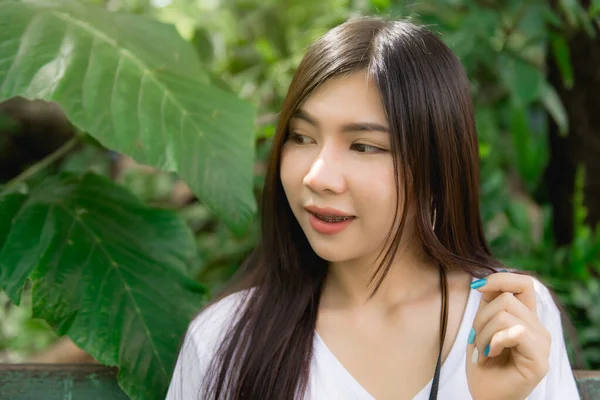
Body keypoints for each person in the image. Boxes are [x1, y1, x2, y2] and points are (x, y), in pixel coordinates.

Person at [165, 16, 581, 400]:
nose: (317, 176)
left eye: (364, 146)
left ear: (437, 167)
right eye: (302, 136)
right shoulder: (225, 340)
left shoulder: (510, 319)